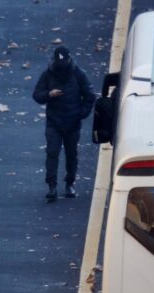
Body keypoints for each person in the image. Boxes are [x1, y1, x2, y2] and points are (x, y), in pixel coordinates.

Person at [32, 46, 95, 202]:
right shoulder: (48, 75)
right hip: (54, 122)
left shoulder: (78, 75)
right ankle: (52, 186)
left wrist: (81, 114)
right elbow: (37, 95)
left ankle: (69, 183)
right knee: (52, 153)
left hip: (72, 122)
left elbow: (90, 96)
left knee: (71, 155)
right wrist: (49, 94)